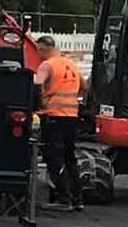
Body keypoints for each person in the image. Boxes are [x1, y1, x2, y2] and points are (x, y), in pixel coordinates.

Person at [34, 35, 88, 212]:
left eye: (38, 49)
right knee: (69, 156)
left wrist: (39, 103)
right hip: (71, 116)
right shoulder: (70, 64)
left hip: (53, 116)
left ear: (43, 48)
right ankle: (77, 198)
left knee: (53, 157)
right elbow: (84, 87)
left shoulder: (47, 65)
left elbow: (37, 86)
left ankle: (63, 198)